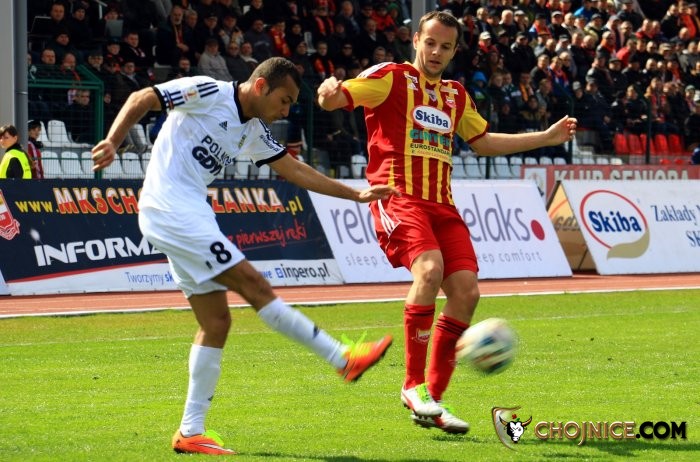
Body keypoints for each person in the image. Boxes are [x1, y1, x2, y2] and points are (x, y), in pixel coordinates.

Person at [90, 57, 397, 455]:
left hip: (191, 214)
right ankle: (342, 358)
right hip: (170, 210)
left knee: (216, 322)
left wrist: (354, 194)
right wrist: (113, 140)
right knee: (255, 285)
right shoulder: (208, 91)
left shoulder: (253, 130)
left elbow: (295, 170)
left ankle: (190, 432)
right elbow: (142, 98)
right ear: (261, 86)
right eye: (284, 100)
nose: (286, 111)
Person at [317, 11, 576, 435]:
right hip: (398, 197)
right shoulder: (391, 78)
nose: (436, 52)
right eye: (431, 43)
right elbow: (336, 99)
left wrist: (545, 137)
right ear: (416, 41)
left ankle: (431, 400)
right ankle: (412, 385)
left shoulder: (455, 95)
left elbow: (483, 141)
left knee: (467, 292)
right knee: (430, 269)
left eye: (446, 46)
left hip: (443, 206)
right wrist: (328, 92)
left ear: (454, 51)